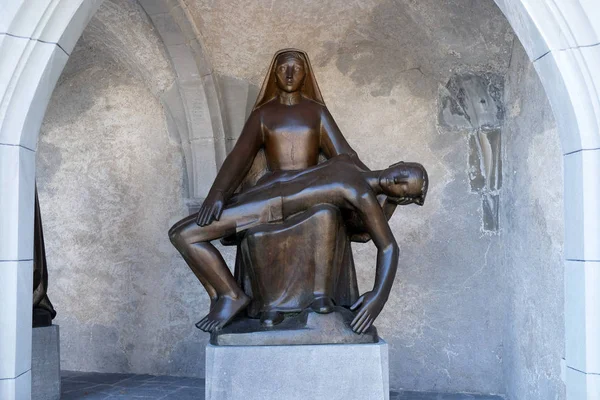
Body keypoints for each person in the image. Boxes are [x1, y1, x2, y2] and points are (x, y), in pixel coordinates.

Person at [170, 155, 427, 333]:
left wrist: (378, 296)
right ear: (398, 164)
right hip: (261, 192)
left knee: (184, 235)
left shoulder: (363, 196)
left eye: (404, 189)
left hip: (269, 208)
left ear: (404, 199)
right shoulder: (348, 160)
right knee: (180, 233)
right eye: (403, 174)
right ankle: (229, 294)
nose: (397, 182)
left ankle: (231, 294)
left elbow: (387, 245)